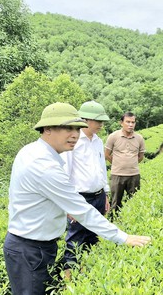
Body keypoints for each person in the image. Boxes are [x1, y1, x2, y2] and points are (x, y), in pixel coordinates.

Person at [3, 102, 150, 295]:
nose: (75, 134)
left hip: (35, 246)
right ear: (47, 129)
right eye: (67, 128)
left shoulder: (33, 151)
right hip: (30, 249)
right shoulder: (43, 164)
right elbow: (82, 210)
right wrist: (123, 238)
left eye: (77, 128)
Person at [60, 101, 111, 278]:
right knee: (75, 239)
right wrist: (69, 204)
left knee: (93, 237)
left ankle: (86, 275)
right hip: (80, 197)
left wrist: (105, 194)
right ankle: (68, 280)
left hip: (98, 196)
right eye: (98, 121)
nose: (101, 125)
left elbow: (101, 168)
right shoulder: (74, 141)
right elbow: (65, 172)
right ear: (86, 120)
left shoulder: (98, 141)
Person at [105, 112, 145, 213]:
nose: (130, 125)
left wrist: (131, 164)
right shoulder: (113, 136)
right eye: (128, 122)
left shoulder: (139, 138)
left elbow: (140, 156)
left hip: (134, 175)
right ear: (121, 123)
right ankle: (114, 222)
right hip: (117, 175)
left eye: (133, 122)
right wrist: (117, 163)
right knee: (115, 202)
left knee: (134, 202)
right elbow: (106, 154)